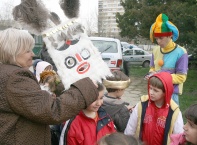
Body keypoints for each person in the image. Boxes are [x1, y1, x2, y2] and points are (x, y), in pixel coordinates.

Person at [0, 28, 99, 145]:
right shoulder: (15, 78)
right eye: (28, 51)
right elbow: (52, 111)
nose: (33, 54)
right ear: (13, 52)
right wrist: (84, 88)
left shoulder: (7, 74)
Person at [124, 72, 184, 145]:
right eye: (150, 88)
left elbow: (179, 137)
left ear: (166, 92)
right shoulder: (141, 105)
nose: (151, 92)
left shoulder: (174, 112)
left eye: (155, 90)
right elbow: (130, 129)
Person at [146, 13, 188, 105]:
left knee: (170, 119)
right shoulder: (155, 50)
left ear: (170, 36)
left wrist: (161, 77)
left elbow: (181, 77)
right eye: (156, 39)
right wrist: (151, 74)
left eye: (161, 38)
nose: (158, 41)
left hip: (171, 94)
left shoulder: (181, 52)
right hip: (155, 93)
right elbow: (152, 68)